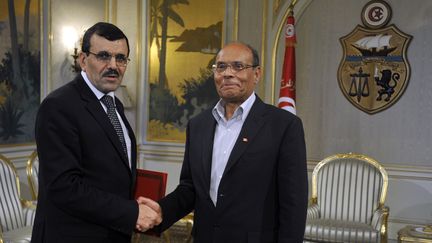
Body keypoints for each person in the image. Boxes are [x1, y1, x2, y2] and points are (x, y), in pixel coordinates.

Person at [155, 42, 308, 242]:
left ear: (257, 74)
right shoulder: (198, 125)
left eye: (238, 66)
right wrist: (160, 211)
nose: (227, 73)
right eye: (221, 67)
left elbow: (293, 203)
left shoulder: (284, 126)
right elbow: (190, 188)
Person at [31, 22, 161, 243]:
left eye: (121, 58)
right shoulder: (59, 106)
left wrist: (138, 205)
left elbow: (111, 173)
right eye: (103, 56)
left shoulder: (114, 105)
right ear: (83, 60)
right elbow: (64, 188)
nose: (113, 65)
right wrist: (130, 212)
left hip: (111, 233)